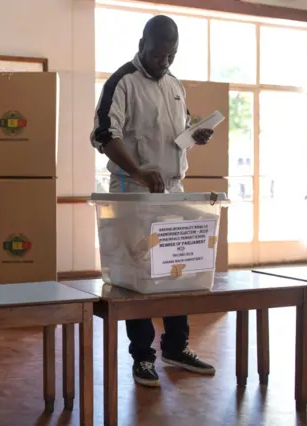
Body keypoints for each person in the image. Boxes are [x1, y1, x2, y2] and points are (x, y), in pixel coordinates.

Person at [90, 15, 215, 388]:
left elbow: (173, 137)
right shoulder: (122, 81)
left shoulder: (175, 85)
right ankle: (142, 357)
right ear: (143, 43)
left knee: (176, 268)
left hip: (172, 191)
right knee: (138, 274)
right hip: (133, 191)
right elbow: (103, 135)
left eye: (171, 55)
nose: (165, 62)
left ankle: (176, 347)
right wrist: (141, 171)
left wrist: (194, 135)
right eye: (159, 54)